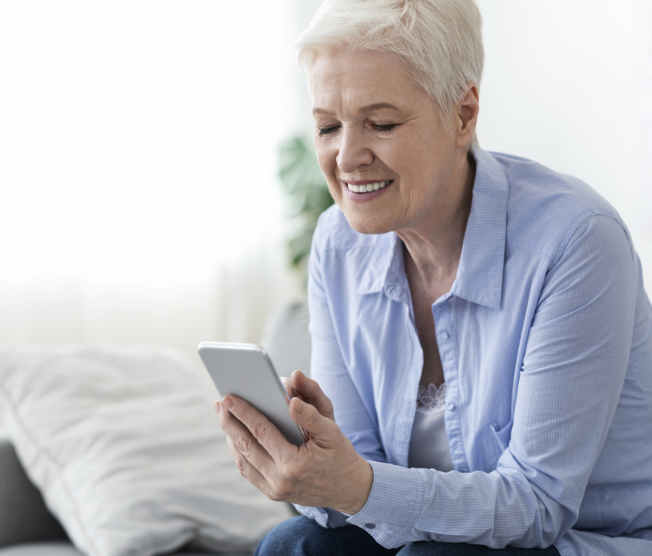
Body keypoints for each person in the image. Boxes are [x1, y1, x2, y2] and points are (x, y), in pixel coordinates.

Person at [214, 1, 652, 554]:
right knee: (295, 543)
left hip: (582, 539)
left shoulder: (576, 242)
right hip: (425, 540)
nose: (347, 157)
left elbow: (538, 506)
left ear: (463, 115)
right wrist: (311, 467)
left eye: (382, 123)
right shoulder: (338, 243)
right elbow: (359, 486)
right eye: (327, 126)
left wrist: (355, 484)